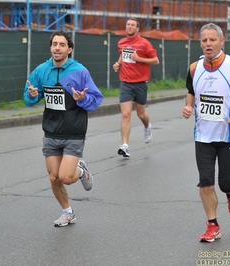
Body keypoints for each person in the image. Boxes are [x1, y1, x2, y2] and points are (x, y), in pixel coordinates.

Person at [182, 23, 230, 242]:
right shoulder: (194, 68)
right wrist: (189, 106)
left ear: (221, 41)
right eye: (204, 40)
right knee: (205, 182)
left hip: (229, 136)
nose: (208, 44)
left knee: (225, 182)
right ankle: (212, 225)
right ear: (200, 43)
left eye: (212, 40)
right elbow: (191, 92)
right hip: (203, 136)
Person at [24, 31, 103, 227]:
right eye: (54, 44)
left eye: (61, 44)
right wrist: (33, 94)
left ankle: (81, 171)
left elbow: (95, 100)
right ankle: (68, 212)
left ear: (69, 49)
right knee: (53, 177)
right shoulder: (42, 70)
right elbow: (28, 97)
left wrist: (82, 99)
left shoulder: (79, 71)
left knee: (66, 177)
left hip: (73, 131)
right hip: (51, 131)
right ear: (50, 47)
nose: (57, 48)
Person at [113, 17, 159, 158]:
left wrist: (139, 59)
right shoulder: (121, 43)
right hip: (126, 82)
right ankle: (125, 145)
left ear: (137, 28)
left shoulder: (144, 44)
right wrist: (118, 63)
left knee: (141, 115)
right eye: (128, 24)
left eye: (133, 25)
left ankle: (147, 127)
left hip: (140, 83)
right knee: (126, 114)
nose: (130, 27)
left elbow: (155, 61)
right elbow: (122, 54)